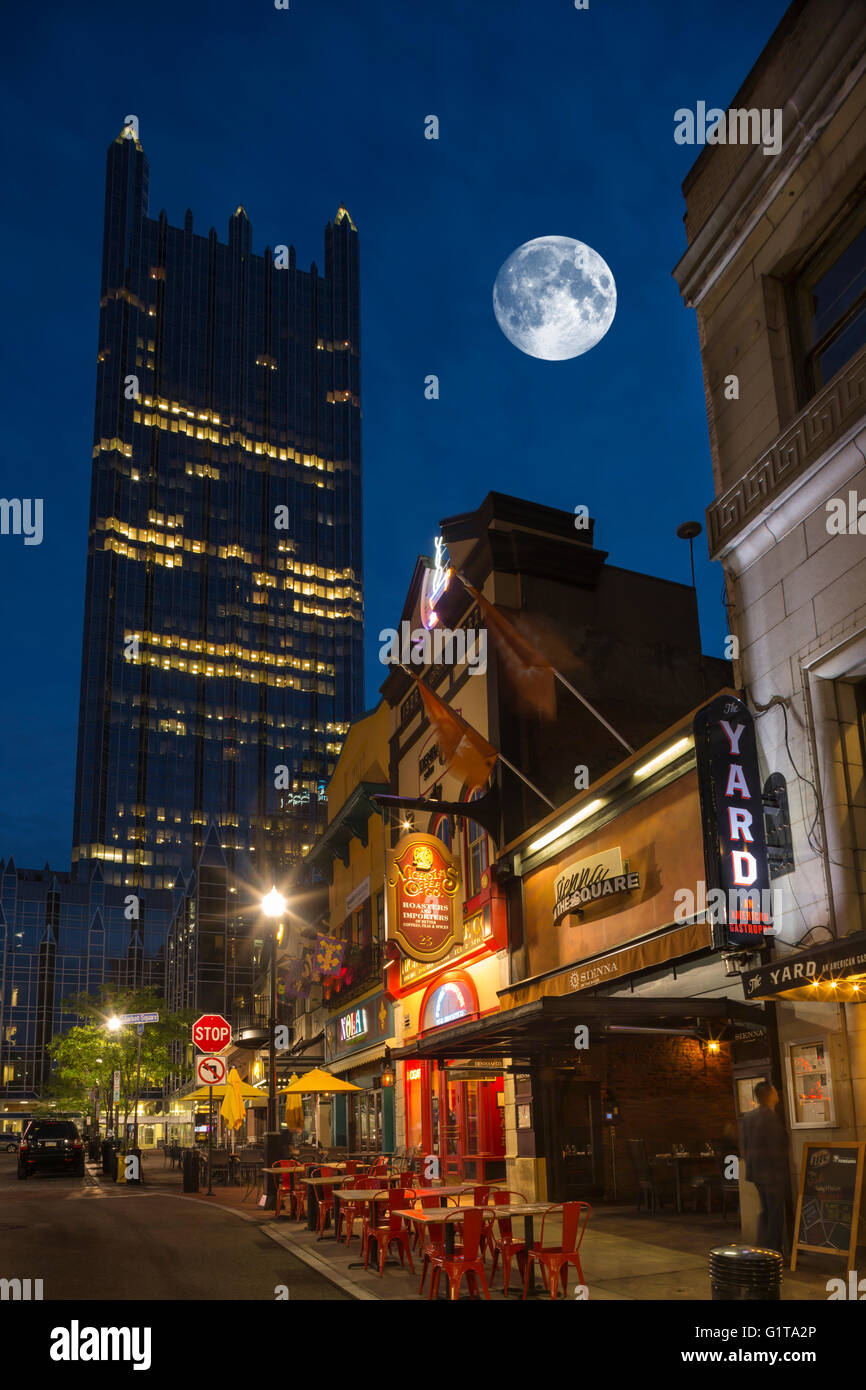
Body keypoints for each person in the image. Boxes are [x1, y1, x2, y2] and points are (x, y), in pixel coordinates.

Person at [739, 1082, 789, 1254]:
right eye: (775, 1091)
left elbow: (744, 1146)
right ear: (768, 1095)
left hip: (756, 1172)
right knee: (774, 1212)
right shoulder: (770, 1117)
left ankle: (762, 1247)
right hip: (772, 1173)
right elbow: (776, 1147)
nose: (777, 1094)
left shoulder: (748, 1117)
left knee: (766, 1210)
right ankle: (773, 1251)